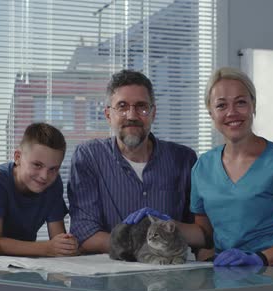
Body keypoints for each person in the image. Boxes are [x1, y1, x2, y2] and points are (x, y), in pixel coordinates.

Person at [127, 67, 273, 291]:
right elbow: (204, 233)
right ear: (210, 112)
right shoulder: (203, 166)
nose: (231, 113)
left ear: (253, 106)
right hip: (227, 283)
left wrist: (260, 258)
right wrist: (164, 223)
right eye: (221, 105)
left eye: (240, 103)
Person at [68, 69, 197, 255]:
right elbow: (85, 234)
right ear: (108, 115)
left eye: (141, 106)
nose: (132, 115)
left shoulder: (184, 159)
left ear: (153, 113)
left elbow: (200, 232)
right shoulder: (88, 157)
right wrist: (143, 247)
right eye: (122, 106)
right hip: (107, 276)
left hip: (168, 273)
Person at [0, 122, 78, 291]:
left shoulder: (53, 184)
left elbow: (57, 237)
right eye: (37, 165)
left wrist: (65, 245)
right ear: (17, 157)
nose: (44, 176)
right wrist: (49, 248)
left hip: (21, 268)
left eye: (53, 169)